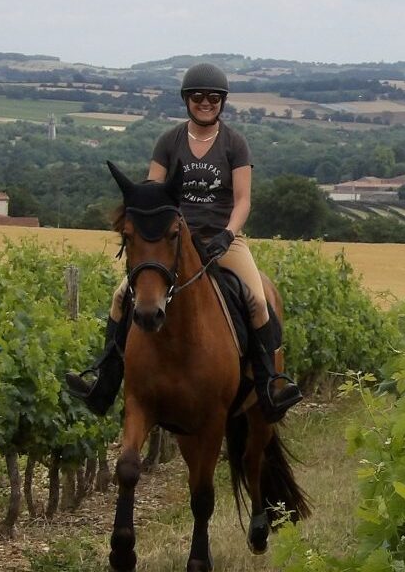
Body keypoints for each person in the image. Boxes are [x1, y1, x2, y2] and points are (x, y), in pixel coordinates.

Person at [66, 62, 304, 420]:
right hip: (174, 240)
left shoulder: (234, 143)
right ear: (186, 100)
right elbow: (152, 193)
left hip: (223, 239)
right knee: (121, 296)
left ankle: (270, 387)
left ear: (221, 102)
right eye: (198, 97)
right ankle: (105, 384)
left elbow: (243, 200)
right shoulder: (169, 141)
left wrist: (227, 235)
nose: (205, 103)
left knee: (256, 299)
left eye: (212, 97)